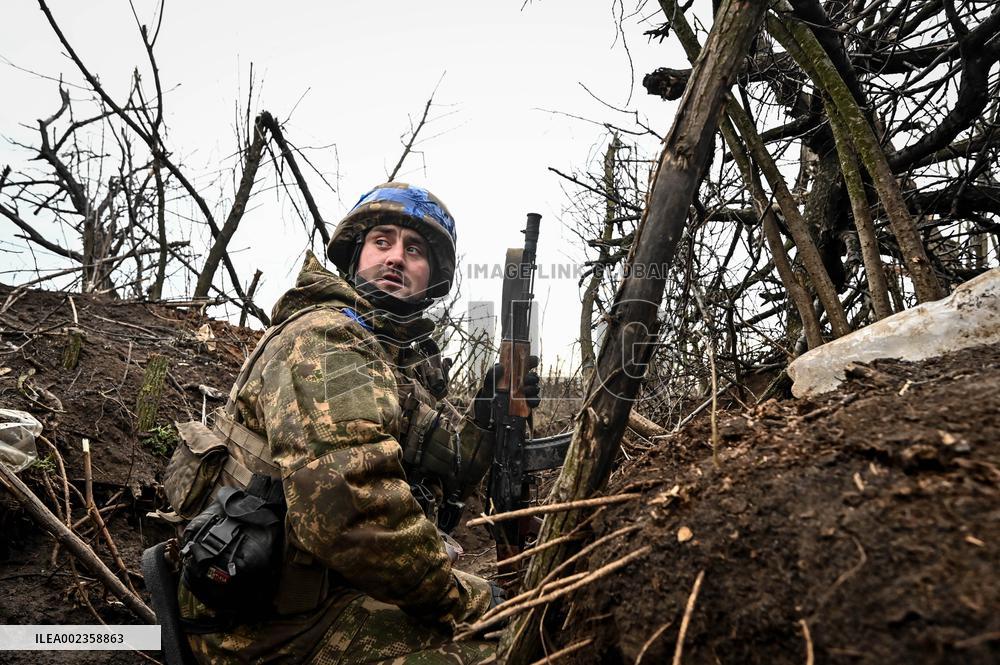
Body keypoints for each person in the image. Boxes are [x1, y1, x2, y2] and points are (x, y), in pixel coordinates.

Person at [176, 182, 539, 663]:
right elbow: (351, 513)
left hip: (323, 593)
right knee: (510, 651)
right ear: (355, 255)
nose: (396, 258)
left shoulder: (387, 355)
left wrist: (489, 417)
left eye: (414, 251)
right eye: (382, 241)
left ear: (431, 276)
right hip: (263, 630)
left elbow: (452, 461)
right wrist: (465, 600)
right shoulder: (327, 341)